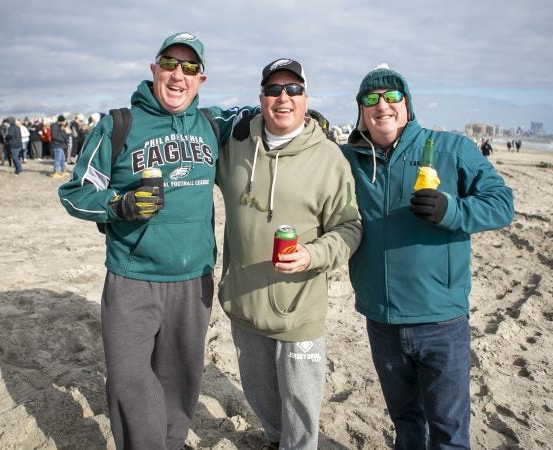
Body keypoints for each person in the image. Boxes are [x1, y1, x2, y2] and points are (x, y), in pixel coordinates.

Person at [58, 32, 255, 450]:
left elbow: (260, 113)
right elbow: (76, 192)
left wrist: (313, 119)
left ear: (201, 78)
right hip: (133, 277)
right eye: (169, 64)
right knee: (128, 379)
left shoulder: (211, 123)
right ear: (154, 70)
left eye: (188, 68)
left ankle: (171, 441)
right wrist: (119, 204)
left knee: (181, 377)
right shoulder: (118, 124)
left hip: (194, 278)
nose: (177, 75)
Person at [340, 65, 514, 449]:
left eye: (391, 97)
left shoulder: (451, 149)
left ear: (407, 105)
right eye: (370, 99)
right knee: (405, 423)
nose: (381, 105)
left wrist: (451, 211)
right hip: (380, 318)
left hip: (441, 320)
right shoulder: (349, 158)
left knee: (449, 431)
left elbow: (502, 204)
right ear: (361, 110)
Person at [216, 58, 362, 450]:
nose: (284, 98)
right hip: (244, 303)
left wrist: (311, 256)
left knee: (300, 406)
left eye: (293, 89)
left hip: (299, 307)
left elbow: (350, 228)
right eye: (274, 90)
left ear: (305, 97)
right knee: (261, 395)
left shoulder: (329, 157)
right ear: (261, 98)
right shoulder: (234, 147)